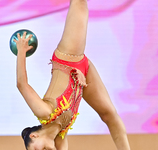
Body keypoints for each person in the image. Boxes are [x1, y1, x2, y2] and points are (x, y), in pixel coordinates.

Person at [14, 0, 131, 150]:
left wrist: (21, 52)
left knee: (79, 3)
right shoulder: (61, 135)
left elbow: (21, 85)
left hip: (67, 56)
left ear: (34, 136)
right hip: (83, 75)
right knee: (109, 115)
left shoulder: (44, 112)